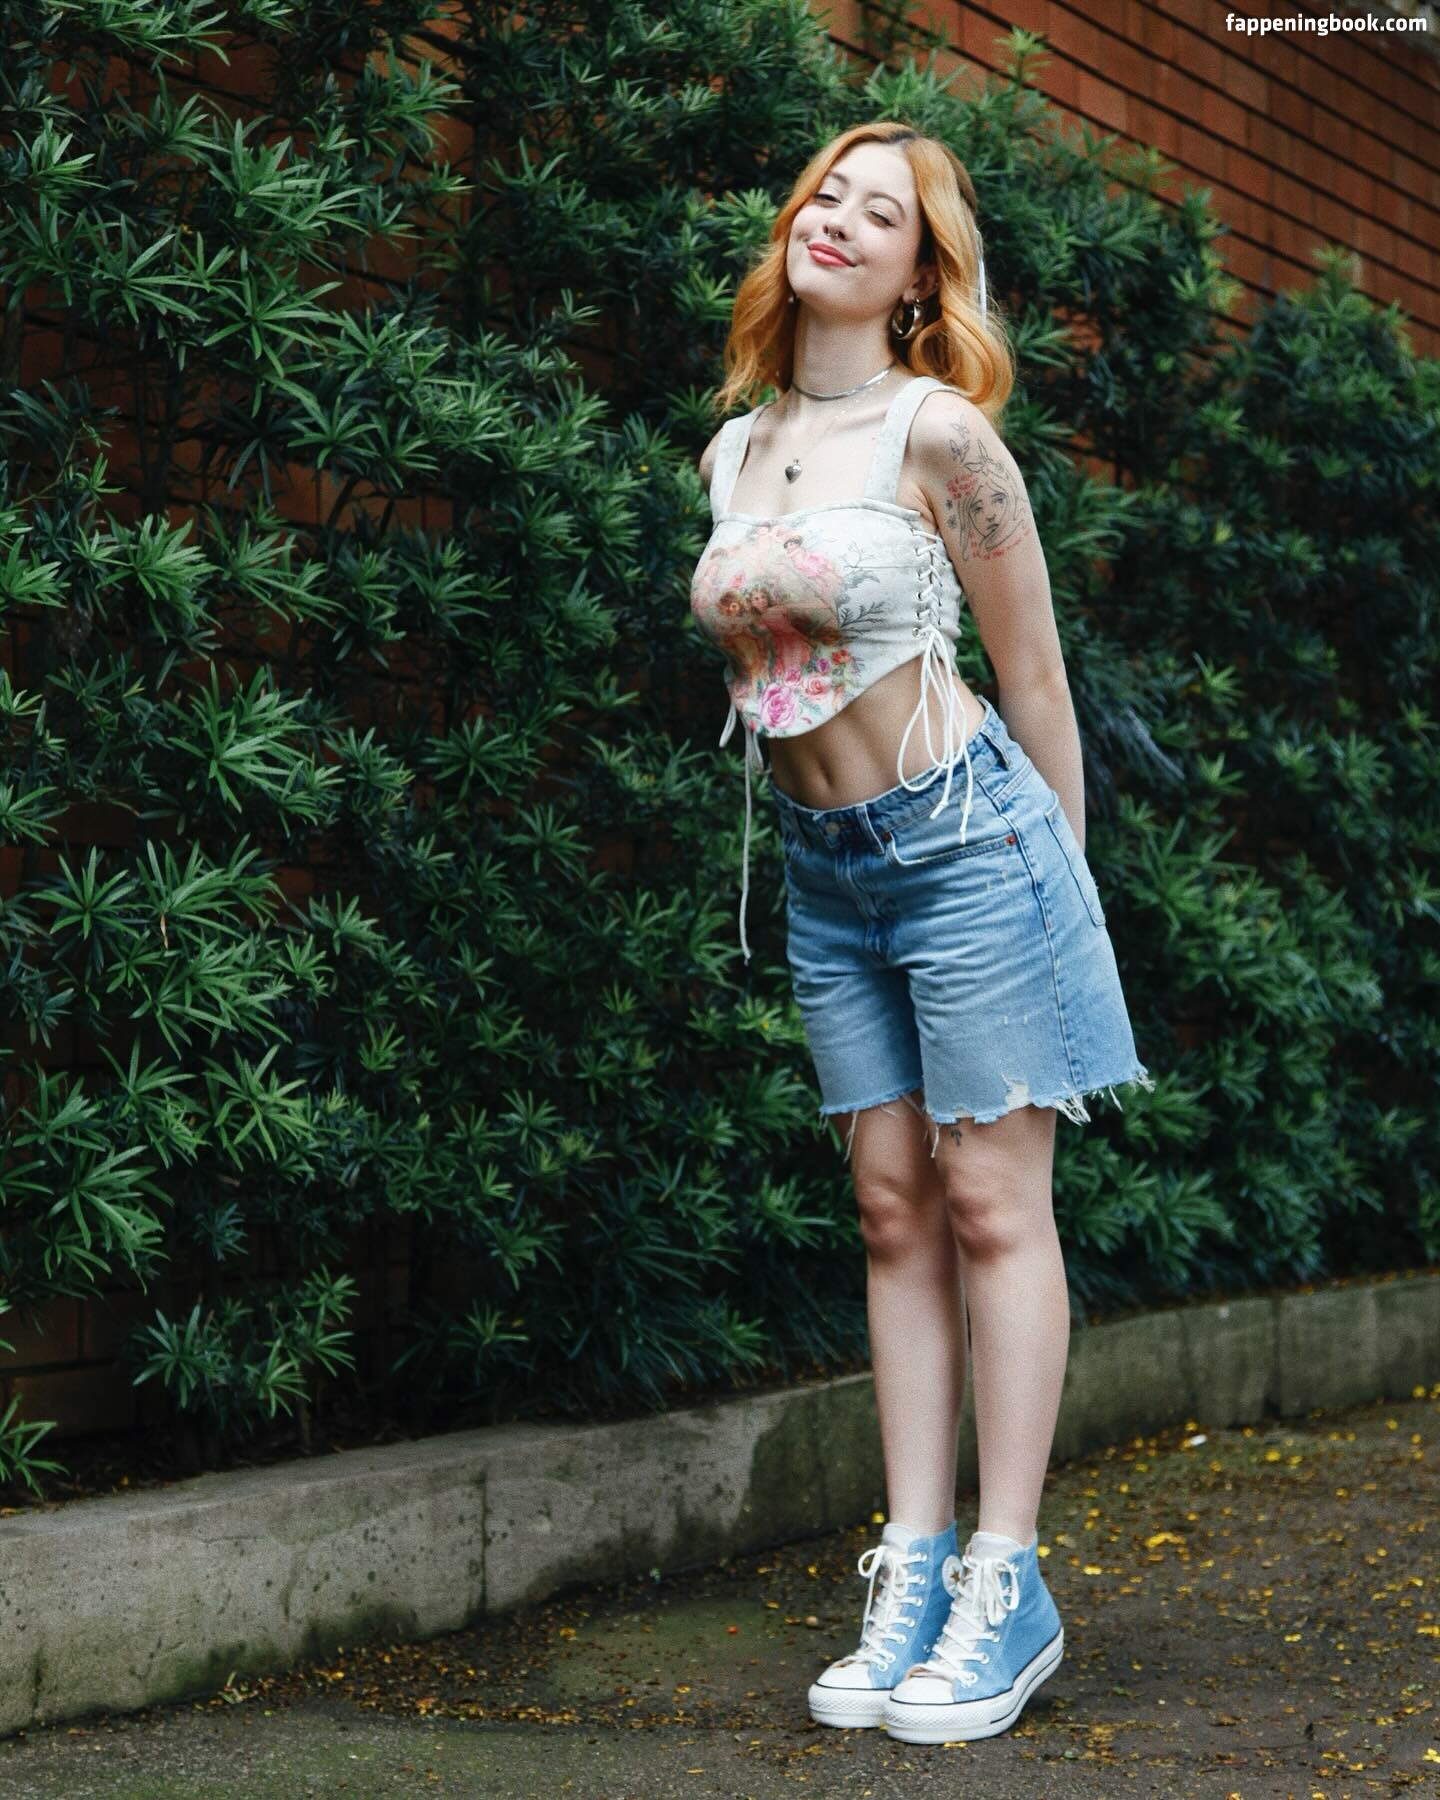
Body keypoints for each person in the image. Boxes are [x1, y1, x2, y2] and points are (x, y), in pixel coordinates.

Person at [689, 121, 1155, 1745]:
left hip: (972, 848)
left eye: (878, 212)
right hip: (827, 869)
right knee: (892, 1211)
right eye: (824, 193)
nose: (837, 219)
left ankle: (1008, 1584)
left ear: (916, 276)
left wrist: (1066, 890)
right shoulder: (734, 450)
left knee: (989, 1200)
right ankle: (915, 1567)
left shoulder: (941, 434)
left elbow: (1036, 679)